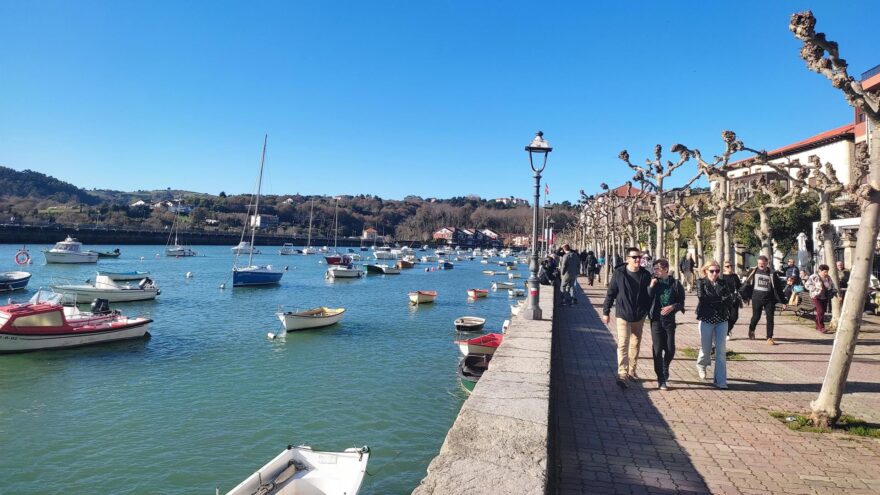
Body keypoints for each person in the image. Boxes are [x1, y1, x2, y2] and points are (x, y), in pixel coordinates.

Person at [601, 247, 652, 387]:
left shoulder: (646, 275)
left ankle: (632, 371)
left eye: (639, 257)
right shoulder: (619, 273)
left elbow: (650, 296)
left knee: (635, 343)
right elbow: (611, 292)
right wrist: (606, 311)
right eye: (634, 257)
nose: (637, 260)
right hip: (623, 313)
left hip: (639, 315)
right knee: (623, 343)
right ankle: (622, 374)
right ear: (627, 259)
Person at [647, 259, 685, 390]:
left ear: (666, 269)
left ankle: (665, 366)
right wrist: (651, 286)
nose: (655, 271)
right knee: (657, 350)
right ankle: (661, 379)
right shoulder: (653, 282)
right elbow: (647, 299)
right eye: (654, 268)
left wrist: (672, 307)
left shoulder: (675, 284)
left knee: (670, 350)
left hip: (669, 321)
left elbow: (681, 303)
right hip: (656, 320)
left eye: (658, 268)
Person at [695, 260, 733, 389]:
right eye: (712, 271)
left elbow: (729, 300)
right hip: (706, 319)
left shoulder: (723, 283)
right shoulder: (701, 282)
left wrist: (723, 300)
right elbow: (703, 299)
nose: (715, 273)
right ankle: (701, 364)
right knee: (706, 349)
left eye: (717, 271)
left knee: (721, 351)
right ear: (706, 271)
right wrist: (720, 299)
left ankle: (721, 381)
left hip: (722, 319)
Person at [741, 255, 784, 345]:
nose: (761, 265)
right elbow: (746, 284)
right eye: (759, 263)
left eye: (763, 264)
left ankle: (769, 337)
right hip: (756, 298)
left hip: (769, 299)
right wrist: (745, 296)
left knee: (770, 319)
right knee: (756, 317)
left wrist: (783, 301)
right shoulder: (753, 271)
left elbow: (778, 288)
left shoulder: (772, 273)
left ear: (767, 263)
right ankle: (751, 329)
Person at [805, 265, 837, 334]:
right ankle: (821, 327)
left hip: (824, 296)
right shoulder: (814, 276)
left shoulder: (828, 278)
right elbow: (807, 285)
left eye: (827, 271)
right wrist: (815, 289)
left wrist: (836, 294)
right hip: (816, 296)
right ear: (820, 271)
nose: (826, 273)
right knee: (820, 310)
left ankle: (817, 326)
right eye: (825, 271)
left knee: (822, 312)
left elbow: (832, 286)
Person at [720, 261, 741, 339]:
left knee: (734, 317)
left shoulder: (734, 276)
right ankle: (726, 332)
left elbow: (739, 287)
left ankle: (727, 330)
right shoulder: (721, 277)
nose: (730, 268)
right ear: (724, 268)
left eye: (731, 266)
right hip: (725, 299)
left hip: (734, 299)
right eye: (727, 266)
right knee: (726, 317)